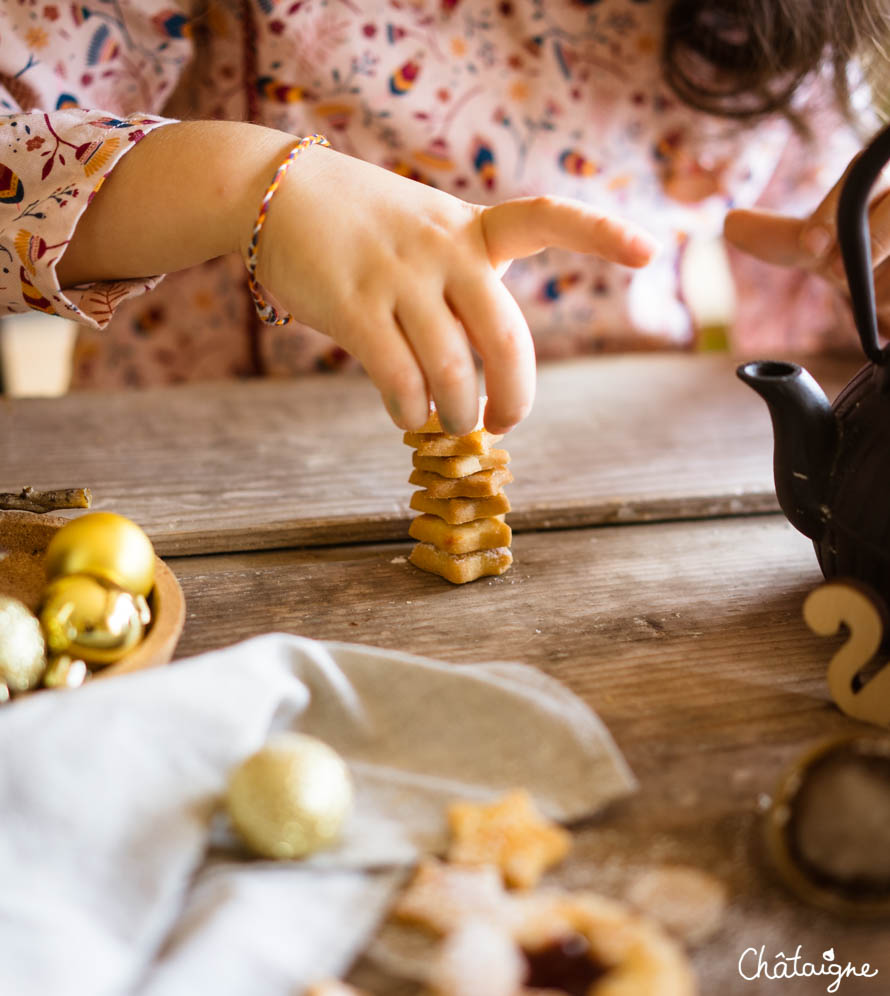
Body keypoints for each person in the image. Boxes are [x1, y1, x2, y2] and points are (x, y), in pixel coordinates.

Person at [0, 0, 888, 437]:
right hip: (193, 458)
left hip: (620, 472)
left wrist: (860, 274)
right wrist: (245, 186)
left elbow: (819, 316)